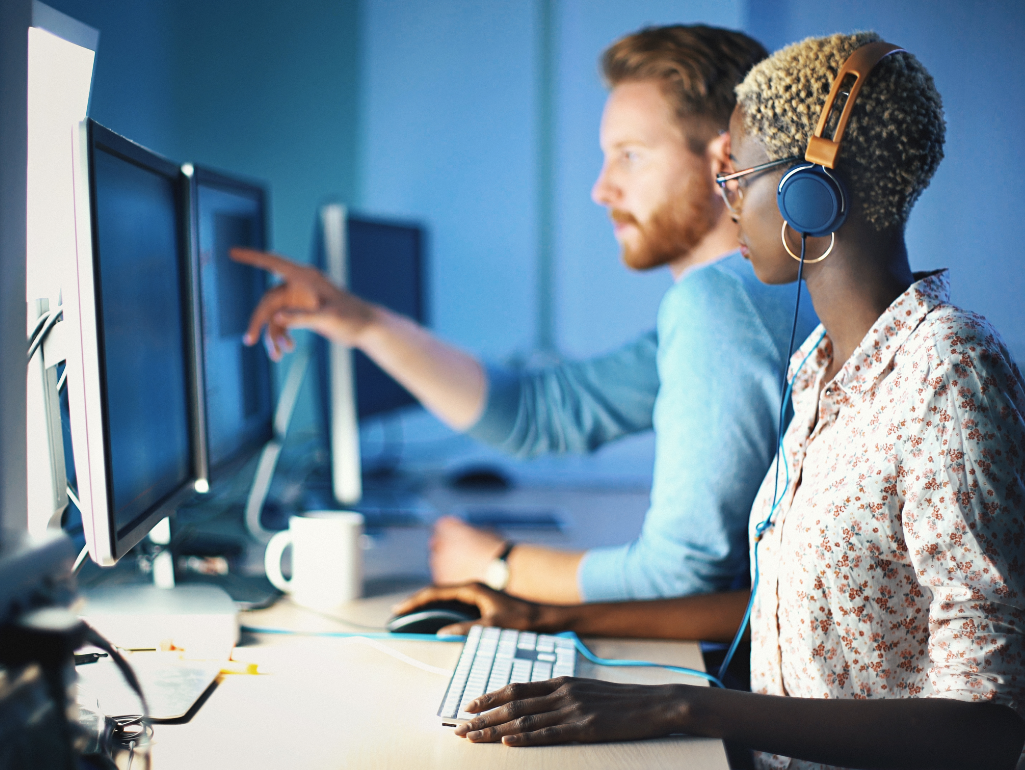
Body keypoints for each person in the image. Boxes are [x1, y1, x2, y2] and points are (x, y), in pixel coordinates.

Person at [395, 31, 1025, 769]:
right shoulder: (821, 366)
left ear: (808, 195)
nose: (729, 206)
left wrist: (681, 705)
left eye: (738, 178)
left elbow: (991, 722)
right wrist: (546, 617)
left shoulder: (947, 372)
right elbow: (778, 609)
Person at [234, 25, 817, 604]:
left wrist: (498, 565)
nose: (601, 189)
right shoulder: (751, 296)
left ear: (724, 160)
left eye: (629, 157)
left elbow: (682, 578)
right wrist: (362, 322)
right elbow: (537, 413)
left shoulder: (719, 303)